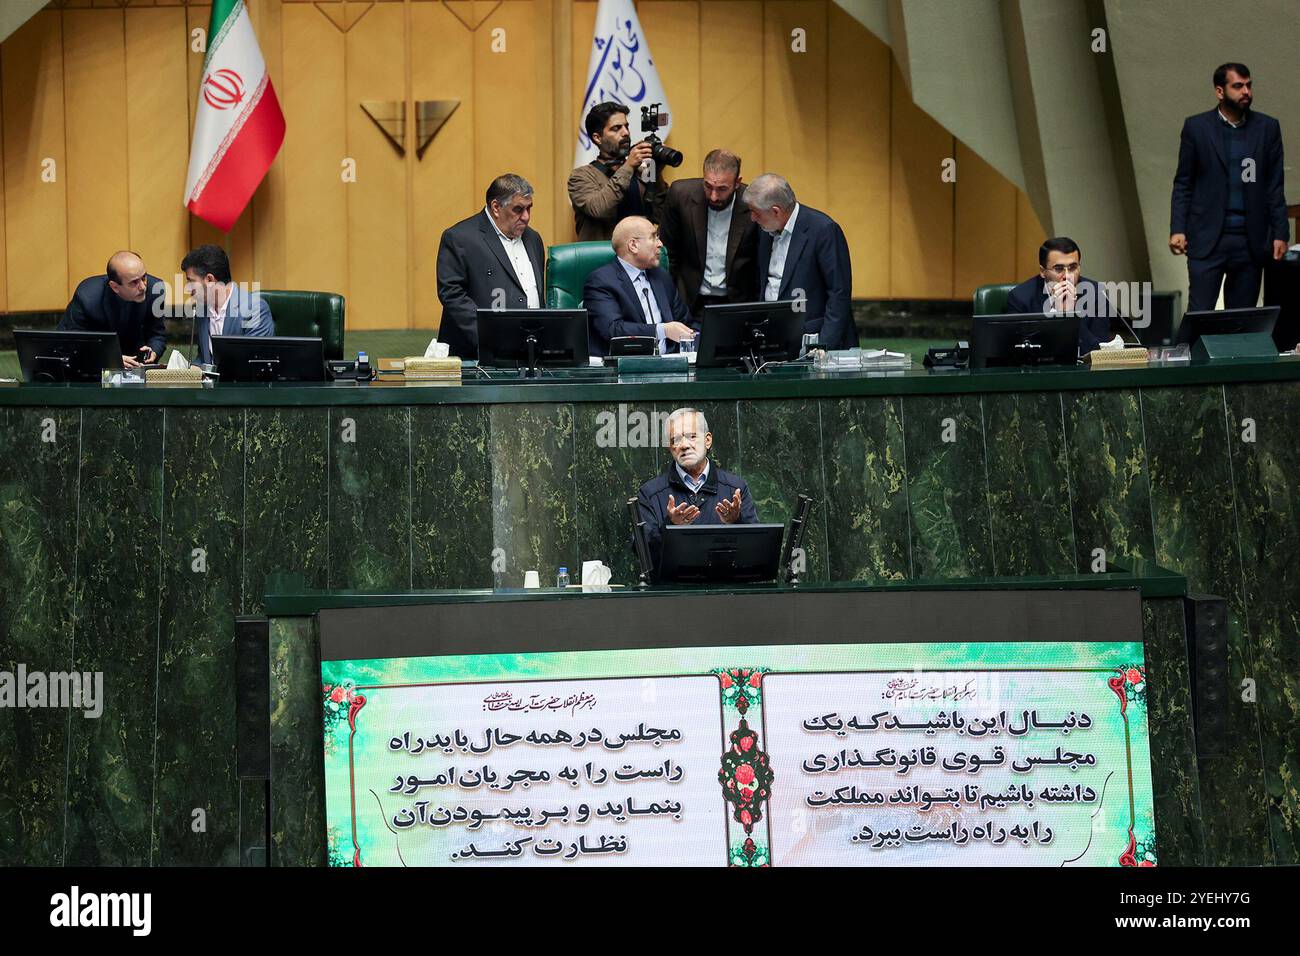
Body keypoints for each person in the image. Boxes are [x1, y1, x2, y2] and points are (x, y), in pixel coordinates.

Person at [1170, 62, 1289, 311]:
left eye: (1248, 85)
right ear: (1220, 91)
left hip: (1250, 240)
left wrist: (1280, 232)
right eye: (1238, 86)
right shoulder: (1197, 127)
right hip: (1206, 237)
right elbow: (1183, 182)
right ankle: (1189, 352)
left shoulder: (1267, 128)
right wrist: (1178, 228)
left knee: (1242, 319)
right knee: (1200, 312)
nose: (1246, 91)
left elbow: (1274, 185)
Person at [635, 407, 759, 574]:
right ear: (669, 448)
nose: (684, 445)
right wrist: (671, 527)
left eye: (692, 436)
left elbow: (756, 553)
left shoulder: (735, 488)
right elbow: (643, 557)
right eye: (676, 440)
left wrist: (735, 522)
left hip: (725, 593)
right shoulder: (650, 493)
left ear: (707, 440)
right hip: (671, 595)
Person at [436, 174, 546, 359]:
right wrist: (491, 337)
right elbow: (452, 294)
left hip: (530, 353)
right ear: (496, 207)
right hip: (477, 355)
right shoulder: (460, 238)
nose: (526, 217)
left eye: (529, 208)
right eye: (518, 209)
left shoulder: (533, 239)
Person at [745, 173, 855, 350]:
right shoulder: (766, 230)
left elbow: (839, 294)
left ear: (775, 211)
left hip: (812, 338)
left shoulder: (823, 230)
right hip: (773, 339)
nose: (752, 218)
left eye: (756, 213)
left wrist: (824, 346)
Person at [660, 149, 760, 319]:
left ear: (737, 182)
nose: (713, 196)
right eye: (708, 186)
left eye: (722, 189)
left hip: (737, 304)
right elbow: (668, 254)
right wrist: (668, 303)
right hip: (690, 302)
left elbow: (760, 261)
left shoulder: (753, 203)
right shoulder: (680, 195)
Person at [583, 216, 696, 357]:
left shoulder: (661, 277)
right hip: (626, 369)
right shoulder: (601, 281)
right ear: (633, 245)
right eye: (654, 237)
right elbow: (613, 330)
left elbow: (686, 322)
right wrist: (663, 330)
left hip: (671, 365)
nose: (660, 243)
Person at [568, 102, 668, 242]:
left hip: (642, 260)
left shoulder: (641, 172)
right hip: (603, 260)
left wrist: (656, 172)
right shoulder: (581, 176)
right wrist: (628, 166)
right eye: (616, 128)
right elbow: (599, 208)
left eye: (626, 126)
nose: (626, 133)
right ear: (597, 138)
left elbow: (662, 216)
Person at [1004, 237, 1114, 355]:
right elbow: (1015, 352)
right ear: (1042, 271)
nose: (1067, 276)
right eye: (1059, 269)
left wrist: (1071, 317)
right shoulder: (1020, 298)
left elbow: (1100, 353)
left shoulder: (1096, 294)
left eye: (1072, 267)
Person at [59, 251, 168, 368]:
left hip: (137, 366)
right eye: (134, 282)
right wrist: (109, 358)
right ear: (115, 287)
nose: (143, 287)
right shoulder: (87, 296)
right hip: (96, 368)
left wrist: (153, 351)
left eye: (144, 277)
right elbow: (68, 342)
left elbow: (157, 335)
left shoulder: (155, 290)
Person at [181, 244, 274, 365]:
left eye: (191, 281)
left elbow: (254, 364)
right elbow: (204, 358)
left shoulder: (255, 309)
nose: (188, 289)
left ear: (209, 279)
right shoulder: (201, 311)